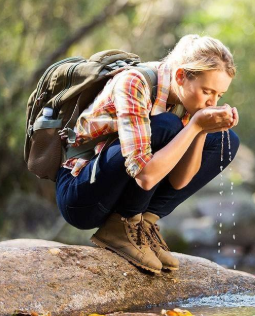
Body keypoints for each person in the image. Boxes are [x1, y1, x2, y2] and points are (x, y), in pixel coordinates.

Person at [55, 34, 240, 274]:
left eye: (219, 96)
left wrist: (202, 130)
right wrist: (194, 126)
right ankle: (123, 224)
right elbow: (146, 177)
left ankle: (143, 225)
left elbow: (179, 181)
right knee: (168, 126)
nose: (212, 102)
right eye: (207, 91)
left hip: (117, 188)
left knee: (225, 141)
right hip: (81, 195)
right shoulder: (134, 82)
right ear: (181, 76)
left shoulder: (183, 100)